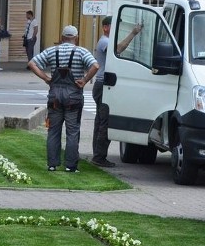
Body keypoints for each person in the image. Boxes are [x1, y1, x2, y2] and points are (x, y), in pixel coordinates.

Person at [28, 25, 99, 173]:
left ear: (62, 38)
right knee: (72, 132)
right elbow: (95, 66)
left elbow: (32, 63)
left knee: (53, 130)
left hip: (55, 95)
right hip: (73, 95)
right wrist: (85, 80)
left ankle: (52, 164)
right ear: (76, 38)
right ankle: (70, 166)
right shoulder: (81, 51)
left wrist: (46, 78)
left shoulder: (52, 51)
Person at [91, 16, 143, 167]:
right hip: (103, 85)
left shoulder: (106, 41)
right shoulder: (104, 42)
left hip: (101, 85)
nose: (116, 29)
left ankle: (97, 154)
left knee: (100, 121)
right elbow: (118, 49)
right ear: (106, 27)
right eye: (114, 26)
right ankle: (99, 156)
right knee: (104, 122)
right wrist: (133, 34)